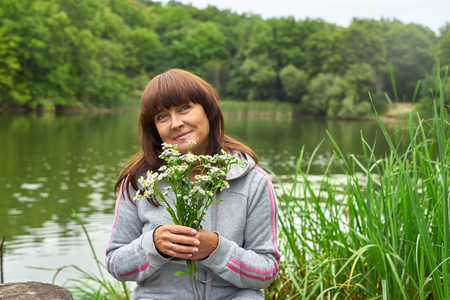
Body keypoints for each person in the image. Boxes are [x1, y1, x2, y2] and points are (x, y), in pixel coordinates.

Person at [106, 69, 280, 300]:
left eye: (184, 108)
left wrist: (217, 250)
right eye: (162, 116)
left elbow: (267, 272)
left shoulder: (254, 181)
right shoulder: (140, 182)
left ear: (208, 111)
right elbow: (116, 265)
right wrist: (154, 246)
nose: (176, 123)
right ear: (154, 129)